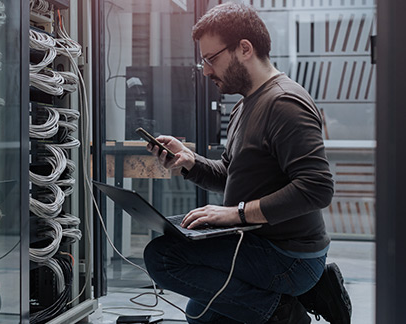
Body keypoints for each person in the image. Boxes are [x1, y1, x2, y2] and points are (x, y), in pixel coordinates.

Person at [143, 3, 351, 324]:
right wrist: (189, 162)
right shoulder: (244, 106)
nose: (207, 71)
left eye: (211, 59)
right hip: (259, 242)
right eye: (204, 62)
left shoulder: (284, 103)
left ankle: (286, 312)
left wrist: (236, 214)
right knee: (201, 316)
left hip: (290, 256)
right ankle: (302, 295)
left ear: (244, 49)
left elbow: (317, 189)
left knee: (163, 257)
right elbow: (231, 175)